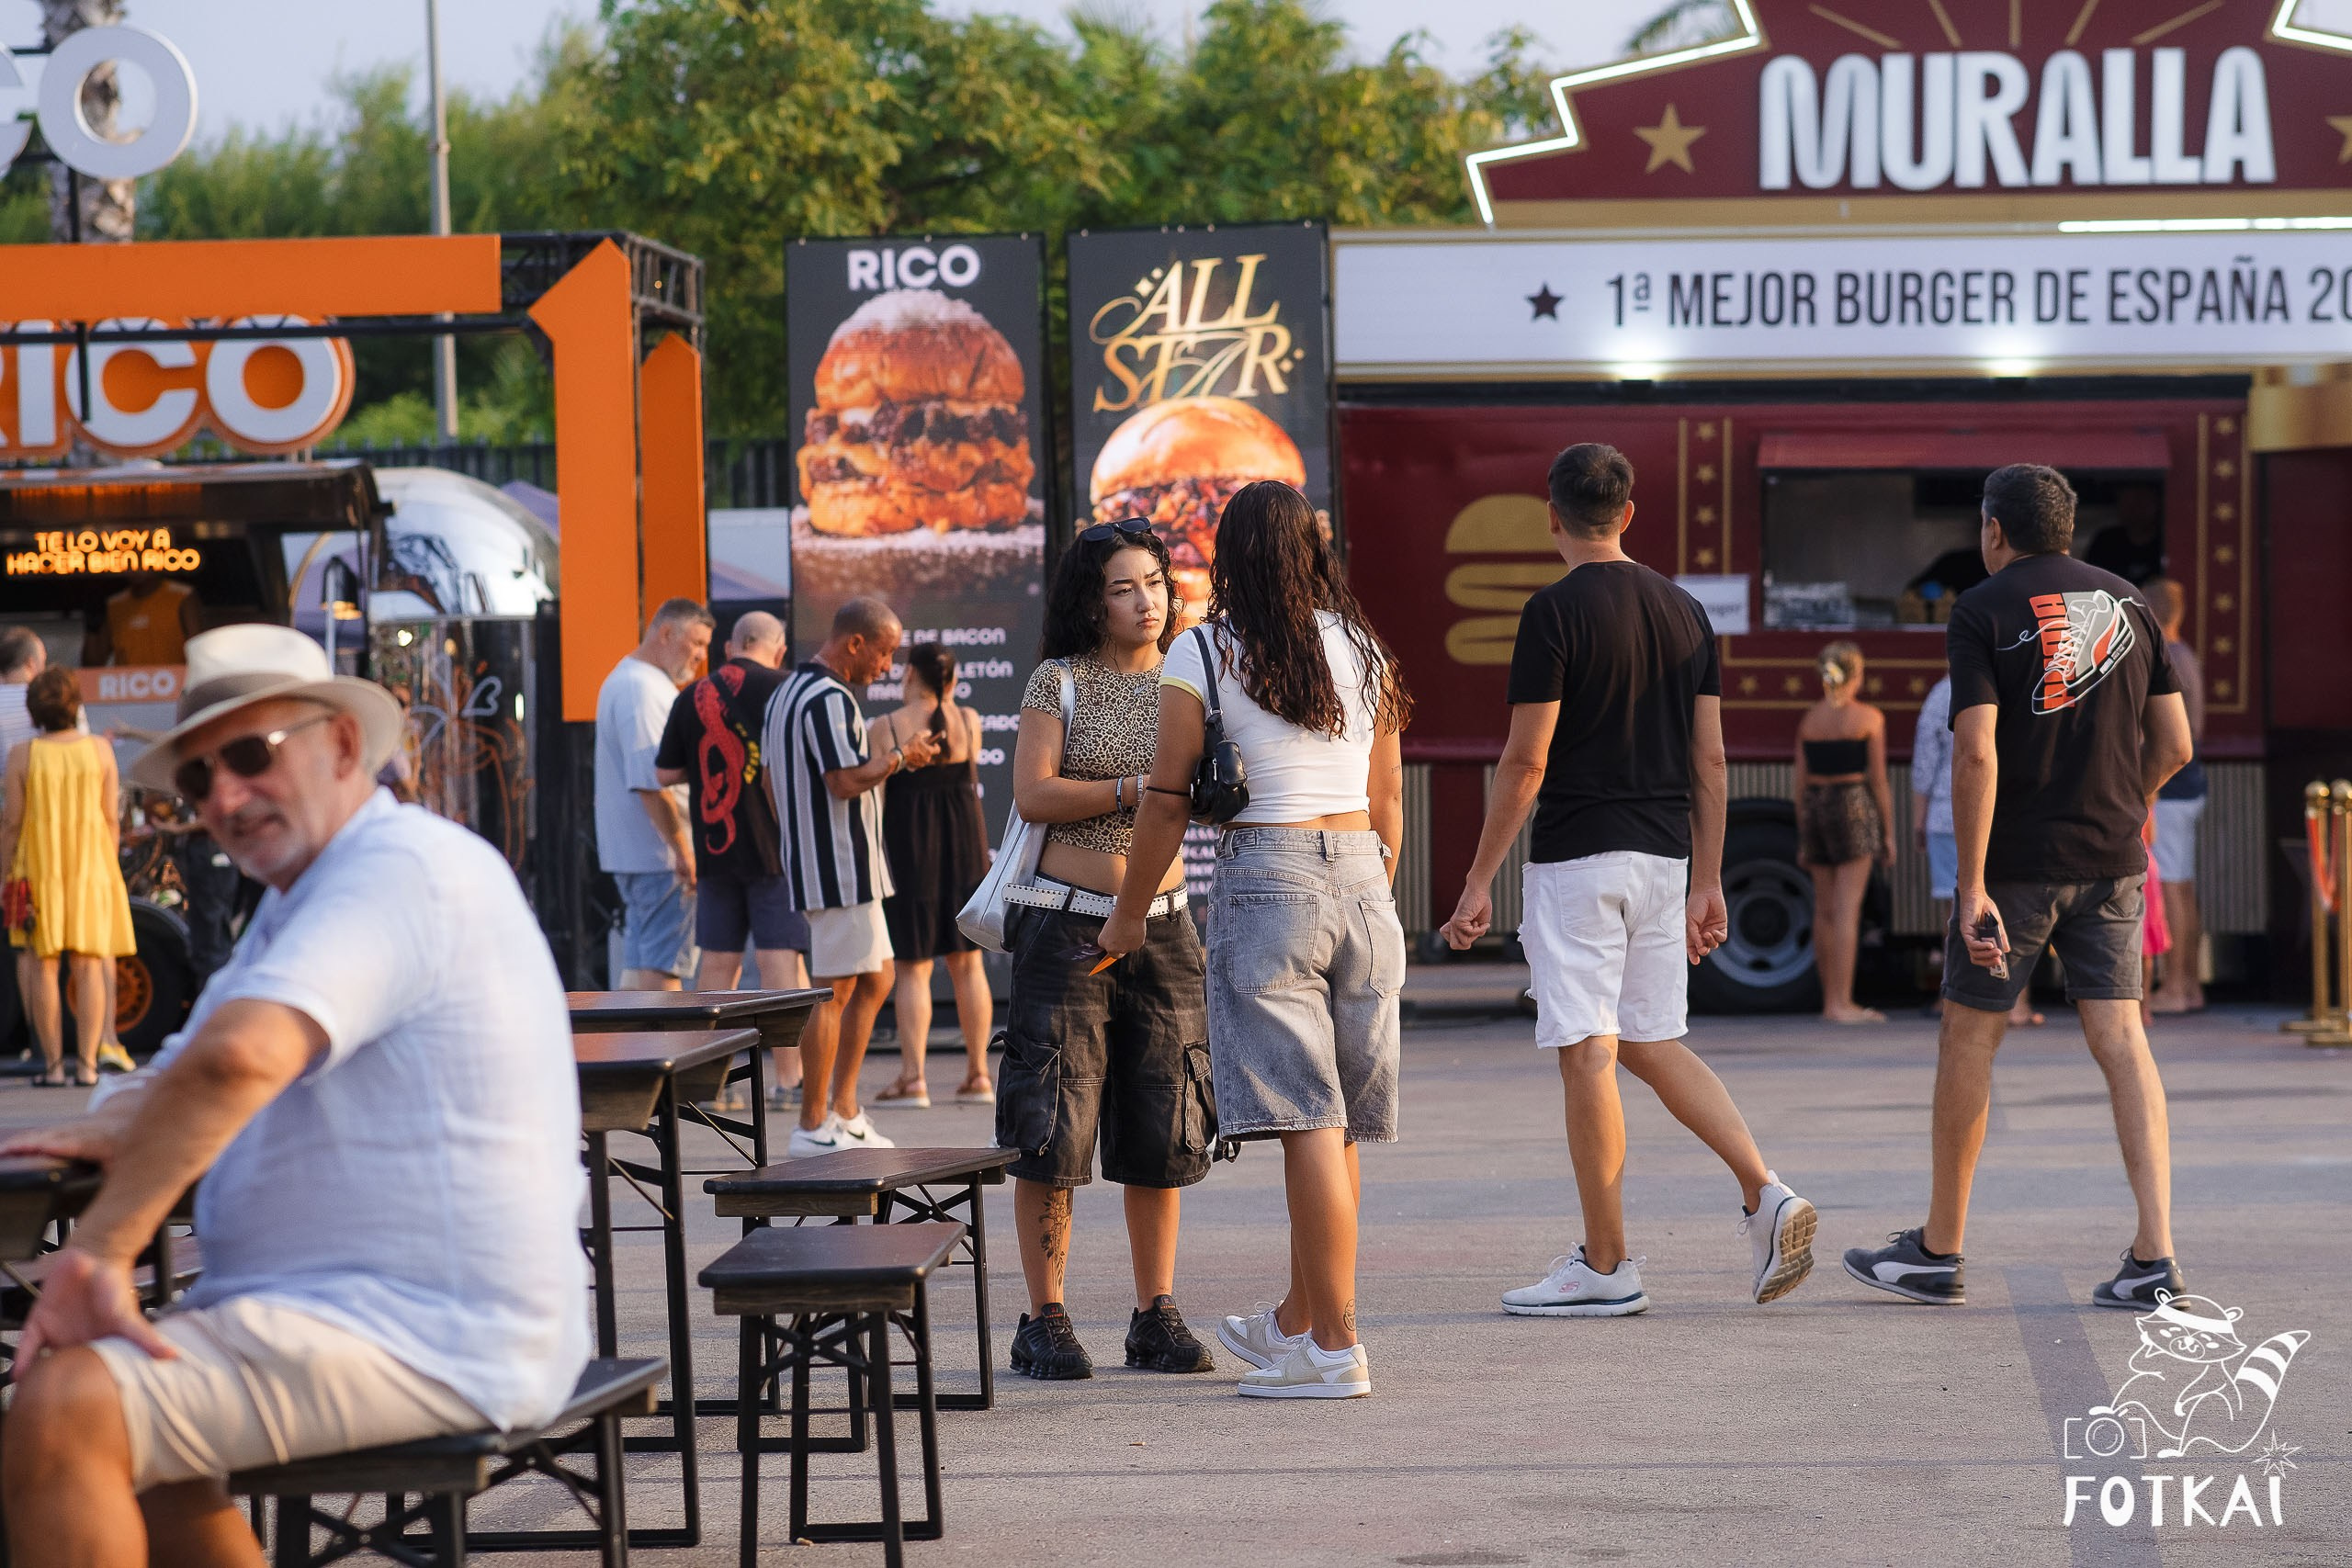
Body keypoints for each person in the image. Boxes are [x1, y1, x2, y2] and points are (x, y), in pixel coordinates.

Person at [0, 624, 587, 1562]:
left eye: (250, 755)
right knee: (115, 1411)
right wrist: (115, 1121)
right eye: (199, 779)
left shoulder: (399, 869)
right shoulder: (304, 896)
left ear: (343, 744)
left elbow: (239, 1057)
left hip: (432, 1327)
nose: (224, 798)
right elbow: (187, 1064)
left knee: (65, 1411)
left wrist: (100, 1250)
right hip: (353, 1309)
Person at [1441, 443, 1815, 1324]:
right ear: (1629, 513)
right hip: (1662, 860)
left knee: (1587, 1050)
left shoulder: (1552, 612)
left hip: (1580, 860)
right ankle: (1765, 1191)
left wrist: (1478, 877)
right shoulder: (1686, 612)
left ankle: (1606, 1263)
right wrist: (1708, 878)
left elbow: (1526, 760)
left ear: (1552, 516)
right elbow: (1711, 760)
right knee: (1649, 1041)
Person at [1845, 464, 2192, 1310]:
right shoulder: (2132, 604)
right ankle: (2155, 1257)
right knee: (2124, 1041)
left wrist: (1969, 886)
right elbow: (2176, 743)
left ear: (1995, 530)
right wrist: (2129, 806)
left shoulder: (1983, 608)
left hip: (2016, 870)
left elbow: (1976, 750)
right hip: (2112, 863)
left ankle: (1939, 1249)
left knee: (1970, 1040)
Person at [1104, 480, 1411, 1402]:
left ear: (1229, 557)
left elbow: (1167, 798)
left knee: (1305, 1119)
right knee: (1335, 1122)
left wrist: (1128, 915)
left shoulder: (1204, 649)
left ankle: (1336, 1348)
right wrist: (1364, 887)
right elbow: (1389, 797)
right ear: (1312, 552)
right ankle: (1299, 1322)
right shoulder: (1362, 645)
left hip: (1269, 875)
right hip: (1364, 874)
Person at [998, 521, 1216, 1382]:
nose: (1145, 600)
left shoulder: (1189, 672)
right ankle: (1044, 1315)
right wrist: (1136, 788)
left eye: (1155, 582)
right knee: (1050, 1122)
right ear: (1092, 601)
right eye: (1123, 587)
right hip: (1066, 923)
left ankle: (1154, 1311)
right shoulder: (1059, 678)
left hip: (1166, 921)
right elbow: (1033, 793)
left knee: (1166, 1123)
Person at [765, 597, 937, 1156]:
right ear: (855, 643)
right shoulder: (829, 697)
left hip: (838, 865)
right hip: (841, 866)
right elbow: (843, 781)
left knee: (877, 978)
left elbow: (769, 782)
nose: (886, 667)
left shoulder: (787, 692)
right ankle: (813, 1124)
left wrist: (796, 837)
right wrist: (902, 757)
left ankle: (843, 1110)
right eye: (884, 653)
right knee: (835, 990)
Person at [654, 609, 810, 1000]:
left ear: (729, 648)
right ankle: (784, 1046)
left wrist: (707, 768)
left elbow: (665, 774)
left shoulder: (692, 695)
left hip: (715, 850)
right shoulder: (788, 688)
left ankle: (712, 1044)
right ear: (780, 650)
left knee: (718, 962)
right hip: (776, 849)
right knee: (779, 958)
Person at [871, 642, 993, 1109]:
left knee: (913, 967)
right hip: (965, 850)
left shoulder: (887, 726)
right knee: (968, 963)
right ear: (952, 679)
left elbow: (878, 799)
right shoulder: (970, 721)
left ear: (910, 675)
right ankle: (979, 1075)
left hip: (911, 854)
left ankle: (914, 1080)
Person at [1, 669, 137, 1087]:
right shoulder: (100, 750)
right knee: (90, 963)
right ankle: (90, 1066)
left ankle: (54, 1068)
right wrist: (106, 866)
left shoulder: (22, 754)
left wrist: (5, 873)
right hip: (91, 868)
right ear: (76, 705)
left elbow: (12, 823)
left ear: (34, 711)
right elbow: (111, 818)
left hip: (38, 869)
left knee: (41, 964)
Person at [594, 599, 714, 990]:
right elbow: (650, 782)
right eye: (697, 643)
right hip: (661, 856)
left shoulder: (633, 681)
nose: (701, 655)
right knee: (664, 970)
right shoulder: (642, 689)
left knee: (643, 964)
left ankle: (638, 1033)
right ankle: (663, 1034)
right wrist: (683, 850)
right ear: (665, 633)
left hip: (646, 853)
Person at [1914, 673, 2041, 1029]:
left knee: (1956, 913)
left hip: (1947, 814)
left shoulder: (1941, 694)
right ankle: (2016, 1002)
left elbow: (1925, 761)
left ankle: (1956, 1000)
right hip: (2004, 811)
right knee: (2014, 907)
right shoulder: (2013, 685)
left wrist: (1919, 819)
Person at [1794, 641, 1894, 1025]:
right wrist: (1888, 834)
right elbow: (1879, 781)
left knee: (1823, 909)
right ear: (1855, 675)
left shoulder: (1809, 720)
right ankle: (1844, 1002)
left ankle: (1829, 1001)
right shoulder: (1869, 718)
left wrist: (1803, 832)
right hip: (1853, 804)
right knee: (1847, 909)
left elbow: (1800, 783)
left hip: (1816, 807)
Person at [2143, 578, 2207, 1014]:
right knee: (2181, 886)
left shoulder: (2169, 658)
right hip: (2189, 783)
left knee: (2170, 886)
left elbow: (2164, 735)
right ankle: (2189, 985)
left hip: (2172, 786)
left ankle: (2176, 987)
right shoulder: (2187, 655)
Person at [83, 572, 200, 668]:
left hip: (172, 685)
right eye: (130, 559)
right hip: (129, 686)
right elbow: (93, 664)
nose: (136, 565)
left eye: (142, 557)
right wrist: (92, 629)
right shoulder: (114, 605)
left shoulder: (182, 597)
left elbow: (198, 651)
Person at [2084, 484, 2165, 585]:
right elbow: (2088, 581)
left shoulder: (2168, 542)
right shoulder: (2105, 542)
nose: (2136, 510)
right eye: (2129, 502)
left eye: (2141, 500)